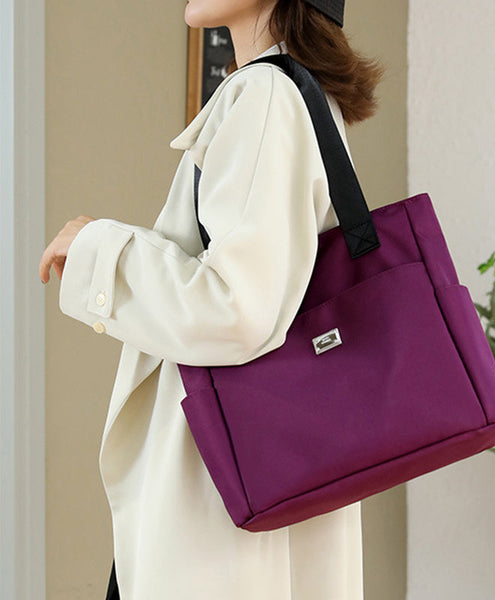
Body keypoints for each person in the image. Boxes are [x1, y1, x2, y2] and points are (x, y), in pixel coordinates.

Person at [39, 0, 385, 598]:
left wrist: (100, 249)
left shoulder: (267, 96)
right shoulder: (296, 93)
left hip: (220, 490)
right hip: (255, 475)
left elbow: (237, 308)